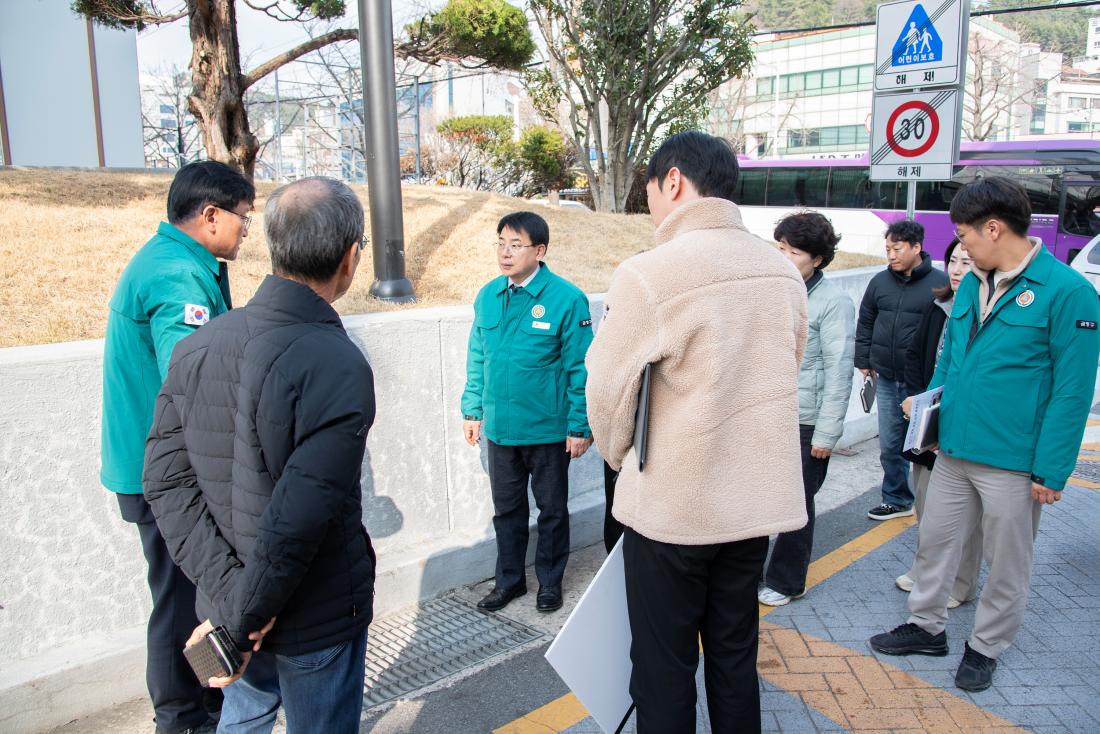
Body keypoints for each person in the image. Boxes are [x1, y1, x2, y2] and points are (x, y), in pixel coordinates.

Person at [586, 131, 808, 733]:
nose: (651, 202)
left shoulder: (650, 275)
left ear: (675, 181)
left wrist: (618, 456)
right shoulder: (781, 271)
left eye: (651, 188)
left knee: (663, 664)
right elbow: (788, 366)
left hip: (674, 509)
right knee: (735, 655)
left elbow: (607, 392)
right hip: (752, 504)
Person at [143, 177, 377, 732]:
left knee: (243, 719)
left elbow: (165, 483)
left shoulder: (200, 344)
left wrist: (230, 609)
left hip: (232, 603)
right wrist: (240, 619)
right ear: (350, 259)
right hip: (309, 615)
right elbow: (294, 523)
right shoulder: (338, 364)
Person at [870, 177, 1100, 692]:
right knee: (934, 542)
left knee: (1007, 564)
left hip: (1015, 463)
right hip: (953, 448)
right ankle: (927, 626)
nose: (960, 247)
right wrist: (930, 418)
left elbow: (1072, 392)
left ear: (993, 229)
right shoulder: (974, 280)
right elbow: (951, 358)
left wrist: (1052, 468)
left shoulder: (1069, 294)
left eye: (965, 236)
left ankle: (985, 646)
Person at [100, 160, 254, 734]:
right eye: (242, 218)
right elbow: (190, 378)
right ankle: (182, 718)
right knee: (178, 600)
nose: (244, 230)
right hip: (164, 476)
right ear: (210, 215)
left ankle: (205, 703)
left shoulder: (181, 262)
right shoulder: (175, 276)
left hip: (155, 467)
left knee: (192, 593)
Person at [461, 211, 594, 614]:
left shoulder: (567, 298)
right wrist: (472, 409)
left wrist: (579, 425)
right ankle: (510, 581)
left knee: (552, 511)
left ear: (540, 250)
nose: (505, 252)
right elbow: (477, 356)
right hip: (500, 430)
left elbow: (580, 367)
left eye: (515, 245)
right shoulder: (488, 295)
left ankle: (550, 583)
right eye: (501, 243)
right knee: (507, 512)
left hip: (548, 431)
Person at [758, 212, 855, 607]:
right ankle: (750, 572)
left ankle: (786, 581)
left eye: (793, 251)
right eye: (780, 248)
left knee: (796, 503)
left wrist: (827, 433)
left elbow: (839, 369)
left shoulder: (834, 303)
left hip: (806, 420)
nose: (783, 257)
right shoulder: (774, 290)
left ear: (817, 258)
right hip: (767, 413)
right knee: (760, 498)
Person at [896, 238, 979, 609]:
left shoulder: (983, 308)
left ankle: (960, 583)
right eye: (954, 261)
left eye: (967, 260)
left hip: (962, 427)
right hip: (928, 419)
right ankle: (924, 570)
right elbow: (916, 356)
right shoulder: (939, 305)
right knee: (926, 505)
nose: (959, 268)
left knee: (965, 519)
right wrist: (919, 401)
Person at [855, 219, 948, 520]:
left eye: (897, 249)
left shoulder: (939, 284)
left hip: (921, 382)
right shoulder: (879, 282)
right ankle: (896, 499)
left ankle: (931, 503)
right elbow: (866, 320)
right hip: (885, 375)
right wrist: (864, 360)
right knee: (890, 444)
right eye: (887, 249)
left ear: (917, 247)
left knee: (923, 446)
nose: (891, 255)